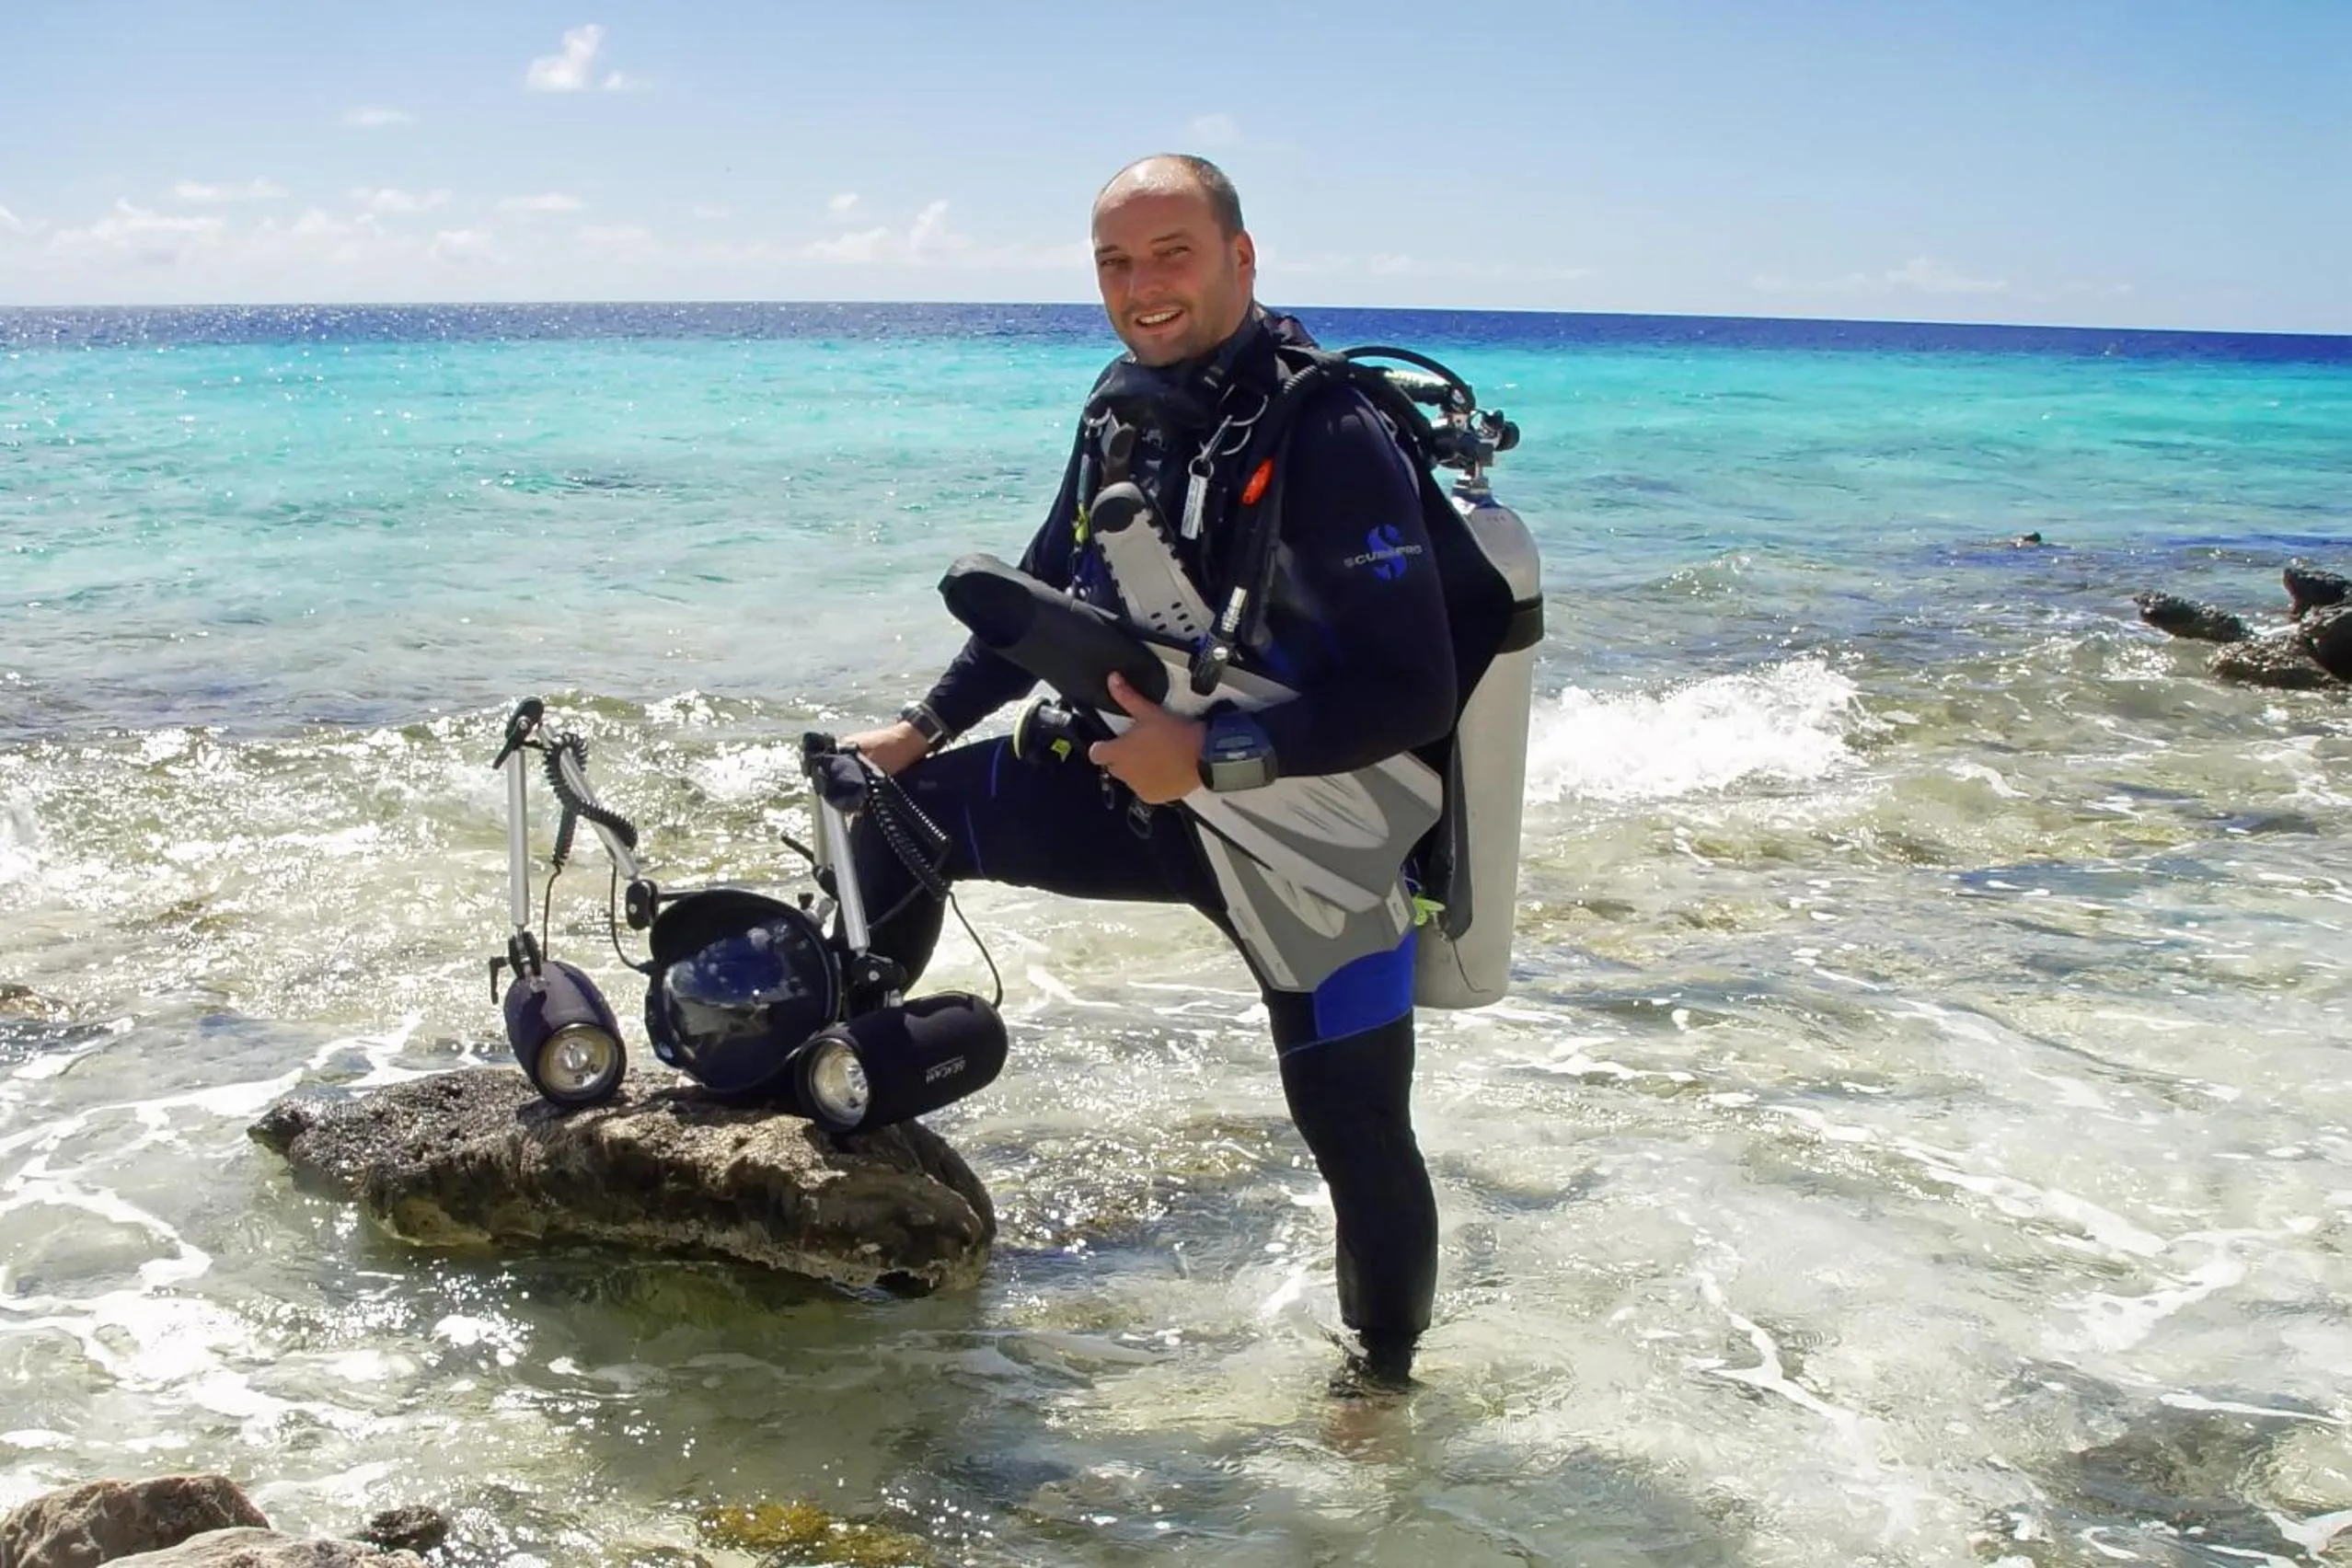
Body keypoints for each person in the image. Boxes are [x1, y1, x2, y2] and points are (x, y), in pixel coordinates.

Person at [838, 153, 1458, 1389]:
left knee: (1355, 1128)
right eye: (1116, 262)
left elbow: (1415, 689)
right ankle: (851, 1116)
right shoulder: (1119, 406)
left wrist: (1218, 754)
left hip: (1312, 825)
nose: (1142, 287)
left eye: (1171, 252)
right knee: (895, 816)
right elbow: (1042, 589)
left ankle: (1383, 1398)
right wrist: (923, 725)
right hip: (1136, 787)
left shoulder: (1328, 432)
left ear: (1241, 255)